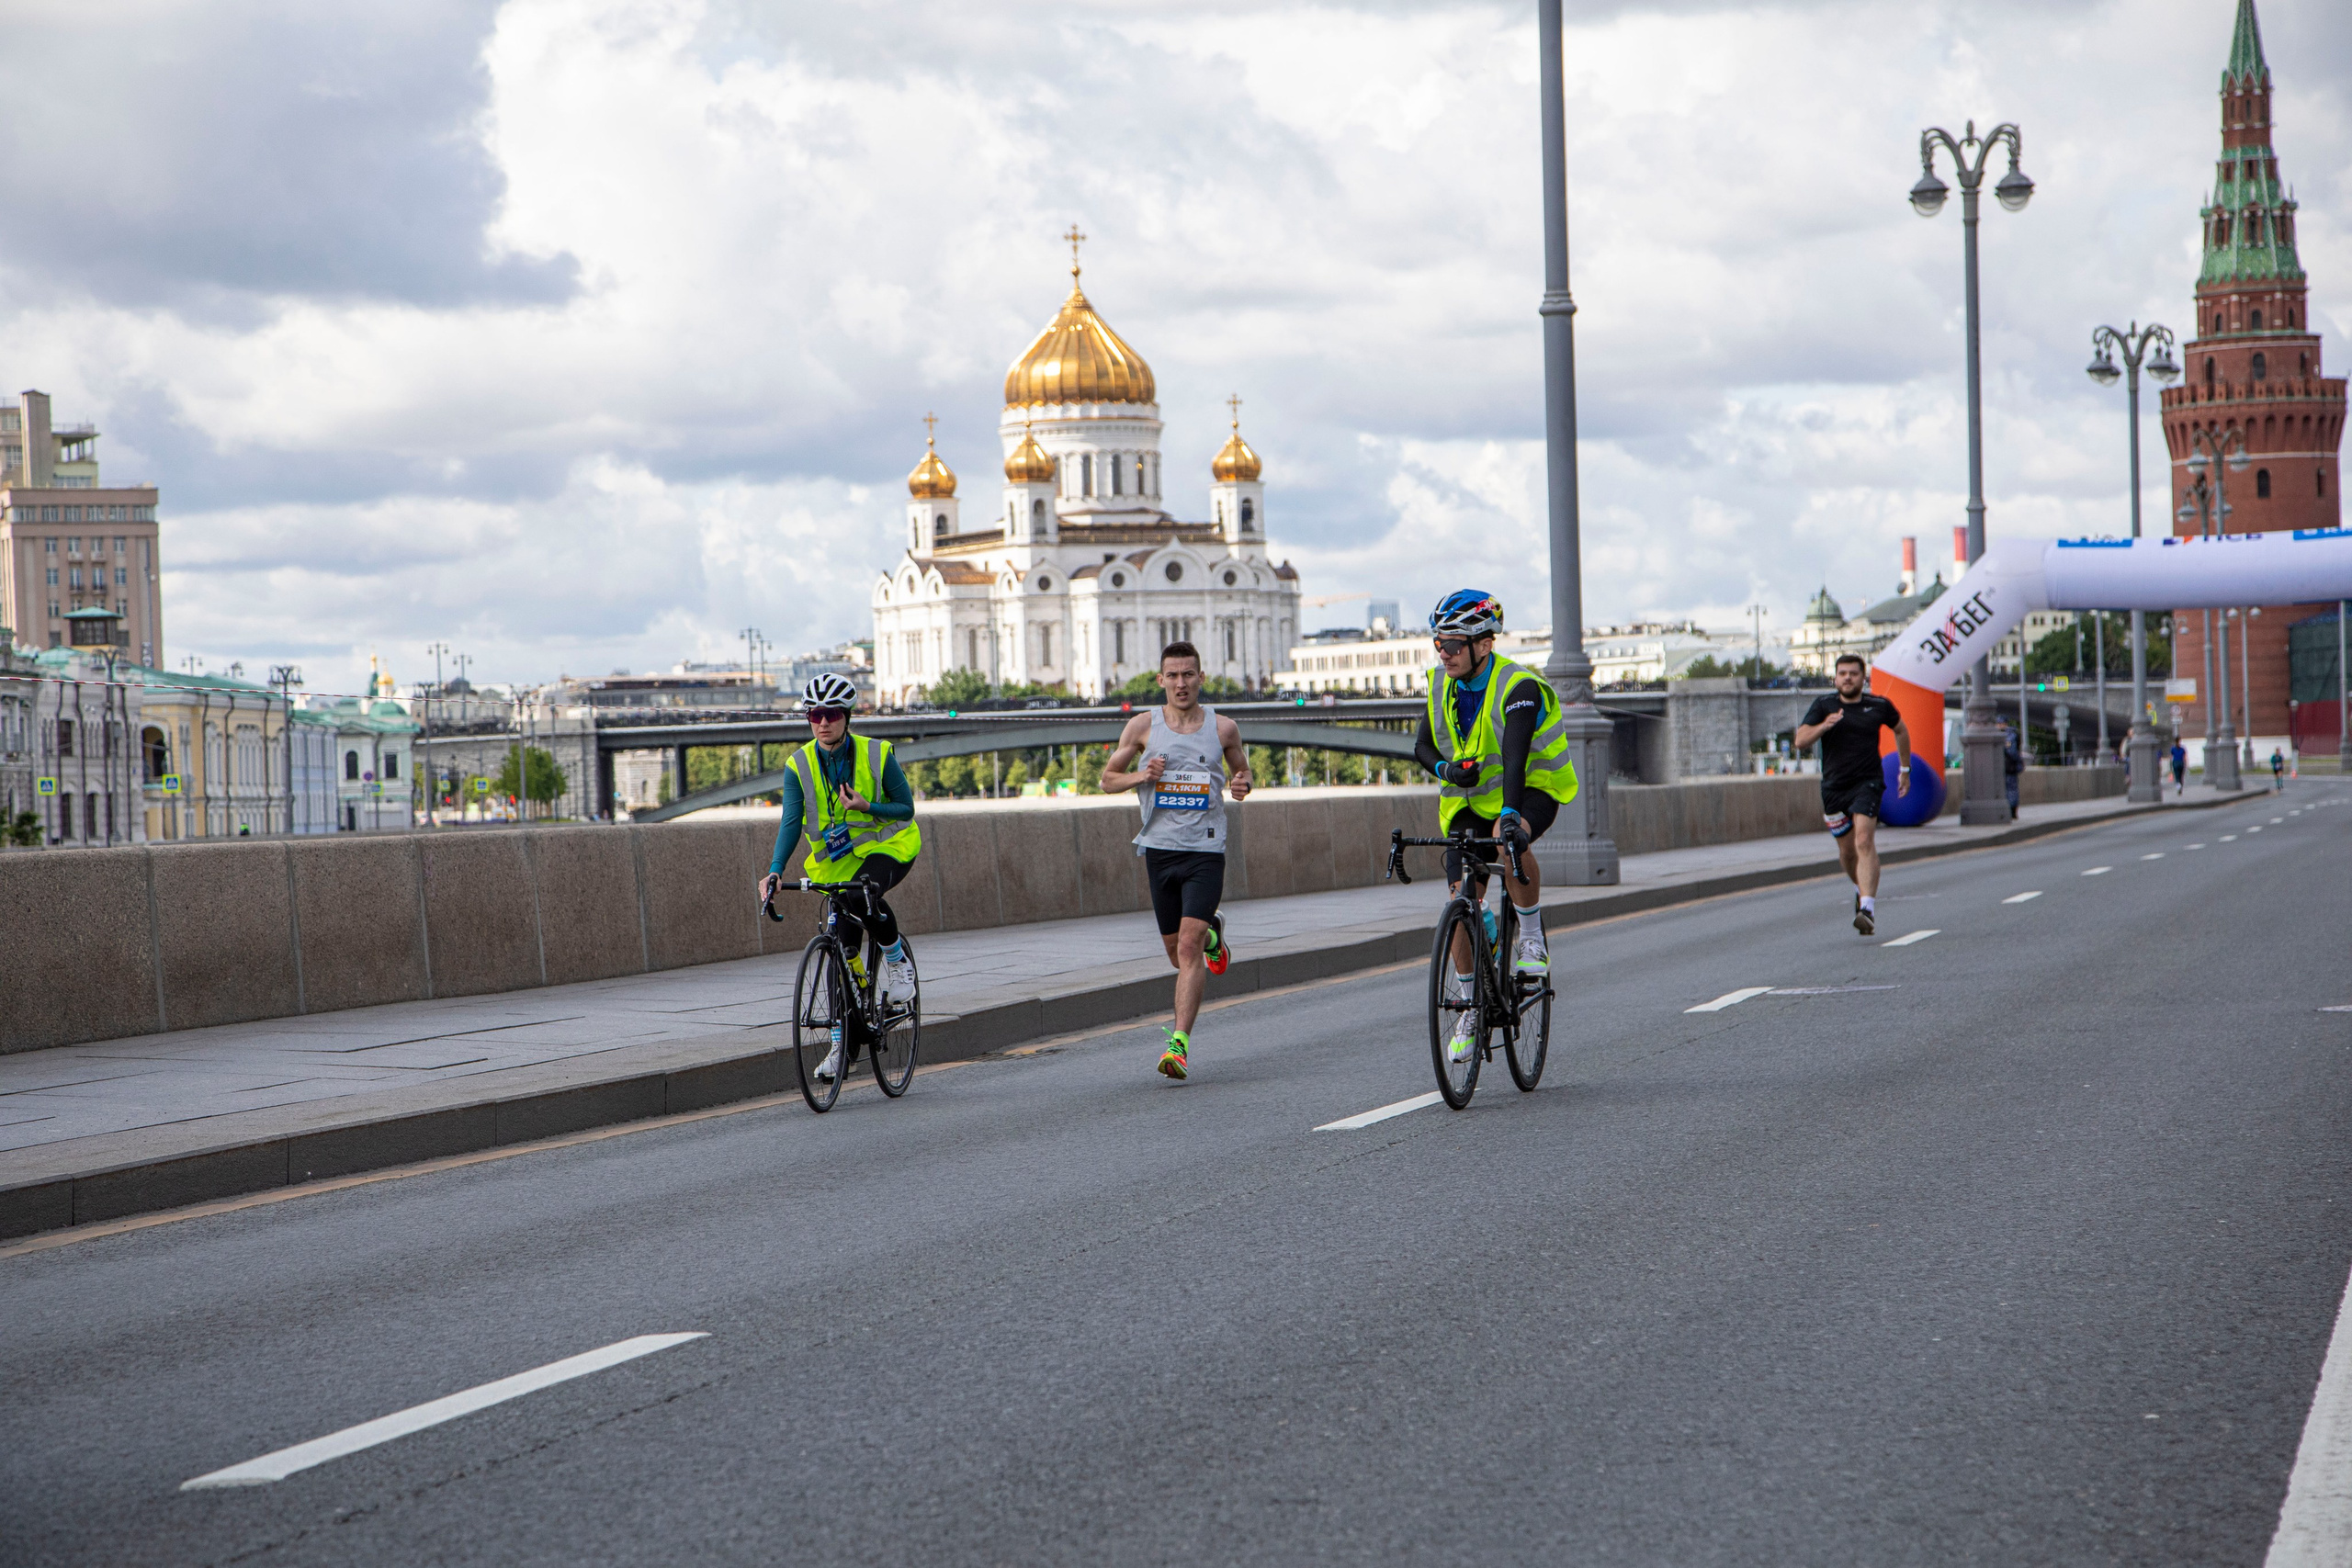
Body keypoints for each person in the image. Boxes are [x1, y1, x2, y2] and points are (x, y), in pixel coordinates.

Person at [1410, 590, 1579, 1066]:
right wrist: (1448, 772)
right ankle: (1468, 1005)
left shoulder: (1518, 686)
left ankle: (1529, 938)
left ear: (1484, 644)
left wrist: (1510, 816)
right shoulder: (1441, 683)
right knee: (1460, 898)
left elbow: (1515, 758)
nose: (1443, 654)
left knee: (1510, 842)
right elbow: (1422, 747)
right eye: (1438, 644)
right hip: (1468, 800)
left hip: (1532, 788)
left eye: (1453, 644)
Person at [757, 673, 922, 1086]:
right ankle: (842, 1045)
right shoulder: (799, 765)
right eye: (814, 715)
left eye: (831, 714)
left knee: (865, 895)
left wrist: (869, 805)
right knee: (839, 947)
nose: (822, 722)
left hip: (889, 847)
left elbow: (906, 809)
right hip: (837, 865)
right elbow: (791, 823)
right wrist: (775, 870)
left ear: (847, 717)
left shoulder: (876, 753)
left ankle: (898, 965)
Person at [1100, 642, 1250, 1081]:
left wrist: (1242, 785)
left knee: (1187, 948)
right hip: (1159, 851)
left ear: (1202, 678)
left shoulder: (1223, 729)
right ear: (1161, 680)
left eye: (1189, 675)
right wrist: (1141, 776)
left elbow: (1243, 774)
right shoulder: (1142, 726)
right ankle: (1213, 937)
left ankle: (1178, 1045)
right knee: (1175, 952)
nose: (1181, 683)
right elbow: (1108, 780)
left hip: (1206, 849)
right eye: (1173, 675)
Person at [1792, 653, 1911, 937]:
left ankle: (1867, 908)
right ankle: (1861, 888)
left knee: (1863, 840)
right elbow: (1799, 740)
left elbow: (1901, 730)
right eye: (1842, 673)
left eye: (1853, 673)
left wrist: (1904, 768)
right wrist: (1824, 726)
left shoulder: (1878, 705)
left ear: (1863, 677)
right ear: (1835, 678)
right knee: (1847, 852)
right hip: (1833, 788)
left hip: (1868, 782)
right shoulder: (1824, 705)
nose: (1847, 678)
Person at [2000, 716, 2023, 818]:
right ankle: (2010, 809)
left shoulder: (2009, 736)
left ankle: (2012, 810)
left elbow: (2012, 752)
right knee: (2009, 788)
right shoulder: (2007, 734)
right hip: (2007, 766)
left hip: (2009, 766)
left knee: (2011, 788)